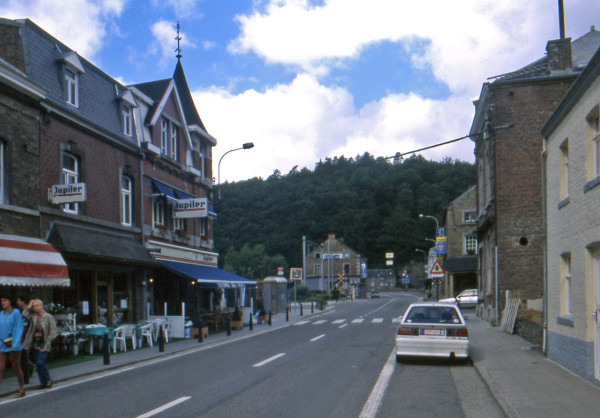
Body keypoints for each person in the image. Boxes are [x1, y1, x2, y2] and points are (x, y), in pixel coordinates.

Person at [23, 299, 56, 389]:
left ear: (42, 306)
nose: (36, 308)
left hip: (44, 342)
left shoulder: (48, 317)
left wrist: (49, 338)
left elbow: (53, 330)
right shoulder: (33, 316)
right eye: (34, 306)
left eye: (37, 305)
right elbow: (24, 314)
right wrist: (29, 305)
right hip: (35, 342)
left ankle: (48, 380)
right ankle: (43, 382)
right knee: (38, 364)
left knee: (40, 361)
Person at [0, 290, 26, 398]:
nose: (3, 303)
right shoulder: (0, 314)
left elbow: (19, 328)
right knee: (0, 368)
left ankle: (21, 389)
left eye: (5, 300)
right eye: (1, 301)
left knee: (16, 367)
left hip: (13, 345)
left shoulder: (16, 313)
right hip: (2, 345)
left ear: (10, 301)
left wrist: (15, 344)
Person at [16, 294, 35, 380]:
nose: (17, 302)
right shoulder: (18, 311)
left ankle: (29, 369)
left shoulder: (30, 311)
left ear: (23, 301)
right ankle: (29, 368)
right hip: (21, 335)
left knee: (25, 354)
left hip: (29, 335)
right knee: (21, 355)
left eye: (19, 301)